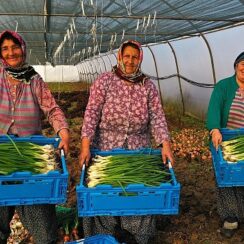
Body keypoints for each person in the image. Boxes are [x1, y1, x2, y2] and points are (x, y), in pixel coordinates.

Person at [79, 40, 174, 244]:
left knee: (136, 190)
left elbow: (157, 116)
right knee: (105, 192)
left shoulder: (147, 85)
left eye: (134, 57)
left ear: (140, 59)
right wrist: (86, 145)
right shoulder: (104, 81)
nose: (130, 61)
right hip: (105, 149)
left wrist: (164, 144)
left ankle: (135, 233)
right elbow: (91, 114)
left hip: (137, 150)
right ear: (119, 57)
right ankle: (104, 234)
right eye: (126, 56)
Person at [0, 30, 70, 244]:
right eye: (5, 48)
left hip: (32, 155)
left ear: (22, 48)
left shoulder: (34, 79)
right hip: (2, 156)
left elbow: (52, 109)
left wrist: (64, 133)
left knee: (43, 227)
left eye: (15, 47)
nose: (11, 52)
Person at [207, 51, 244, 238]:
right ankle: (230, 218)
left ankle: (242, 213)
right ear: (236, 65)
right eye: (242, 63)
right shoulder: (224, 86)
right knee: (227, 180)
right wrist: (214, 128)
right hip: (225, 141)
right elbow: (214, 108)